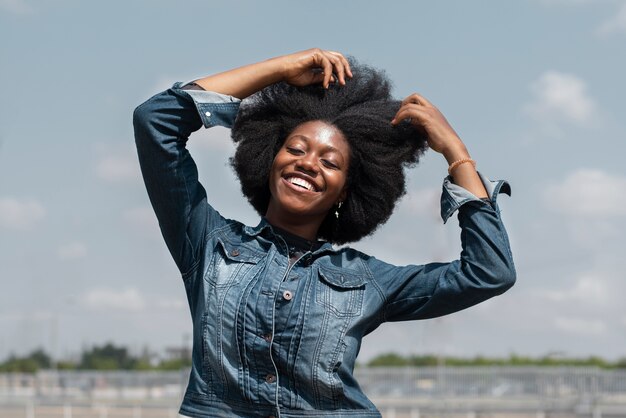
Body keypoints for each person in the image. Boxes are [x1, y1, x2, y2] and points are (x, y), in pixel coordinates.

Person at [133, 48, 516, 418]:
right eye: (296, 149)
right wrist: (282, 69)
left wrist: (456, 153)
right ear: (270, 160)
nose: (308, 164)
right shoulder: (207, 244)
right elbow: (156, 120)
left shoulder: (369, 281)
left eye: (329, 162)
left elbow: (489, 273)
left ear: (345, 191)